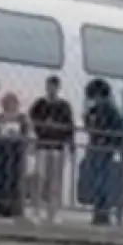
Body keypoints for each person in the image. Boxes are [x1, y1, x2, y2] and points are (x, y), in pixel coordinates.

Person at [28, 75, 75, 223]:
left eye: (54, 86)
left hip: (57, 147)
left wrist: (70, 144)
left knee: (55, 181)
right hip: (42, 145)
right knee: (39, 178)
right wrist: (42, 126)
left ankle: (53, 211)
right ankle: (36, 210)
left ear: (58, 88)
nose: (51, 89)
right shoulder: (39, 104)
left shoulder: (64, 106)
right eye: (49, 86)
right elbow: (32, 121)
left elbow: (69, 127)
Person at [83, 78, 123, 226]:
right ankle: (100, 212)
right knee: (98, 180)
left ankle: (102, 212)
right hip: (98, 148)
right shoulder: (97, 111)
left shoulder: (110, 112)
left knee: (102, 181)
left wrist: (106, 138)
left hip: (104, 150)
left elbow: (116, 130)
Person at [0, 91, 30, 219]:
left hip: (16, 151)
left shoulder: (22, 118)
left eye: (12, 103)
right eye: (7, 103)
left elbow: (26, 133)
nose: (9, 105)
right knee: (2, 178)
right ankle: (1, 206)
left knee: (15, 179)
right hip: (2, 151)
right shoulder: (0, 117)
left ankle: (15, 208)